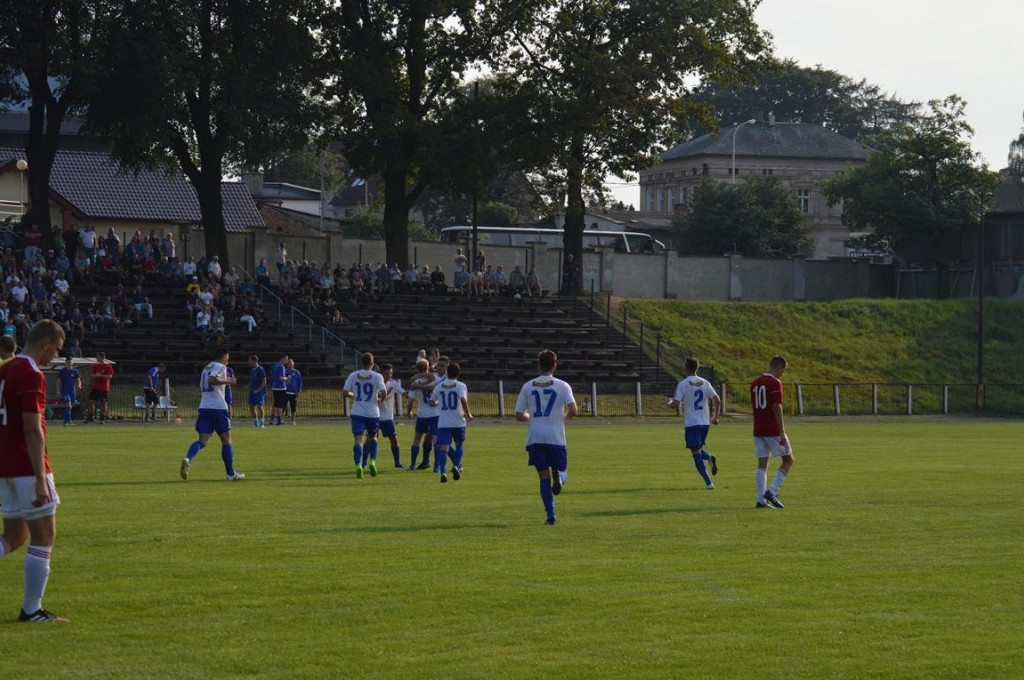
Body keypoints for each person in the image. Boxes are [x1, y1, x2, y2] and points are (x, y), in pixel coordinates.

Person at [0, 320, 68, 622]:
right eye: (55, 349)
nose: (54, 355)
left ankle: (32, 610)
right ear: (44, 343)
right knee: (45, 535)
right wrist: (41, 480)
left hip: (4, 467)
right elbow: (33, 430)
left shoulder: (4, 370)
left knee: (14, 536)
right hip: (27, 466)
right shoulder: (30, 373)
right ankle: (32, 610)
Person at [515, 350, 577, 525]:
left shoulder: (528, 386)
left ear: (539, 365)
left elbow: (519, 415)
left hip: (536, 436)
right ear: (555, 365)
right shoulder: (563, 386)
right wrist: (562, 418)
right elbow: (574, 410)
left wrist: (530, 417)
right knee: (562, 471)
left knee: (543, 477)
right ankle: (560, 477)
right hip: (555, 436)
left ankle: (551, 516)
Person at [179, 347, 244, 481]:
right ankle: (230, 474)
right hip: (218, 408)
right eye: (228, 359)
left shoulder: (206, 368)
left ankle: (188, 459)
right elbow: (212, 380)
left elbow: (204, 384)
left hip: (204, 407)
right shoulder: (220, 367)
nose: (227, 362)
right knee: (226, 440)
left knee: (202, 441)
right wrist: (229, 381)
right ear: (225, 358)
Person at [667, 357, 721, 490]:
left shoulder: (683, 384)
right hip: (705, 423)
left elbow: (675, 404)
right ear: (697, 367)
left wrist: (669, 403)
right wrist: (715, 417)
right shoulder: (705, 382)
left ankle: (708, 482)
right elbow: (717, 399)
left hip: (692, 423)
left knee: (695, 452)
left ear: (686, 367)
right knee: (697, 448)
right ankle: (709, 457)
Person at [751, 355, 793, 509]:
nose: (782, 374)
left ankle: (760, 501)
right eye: (783, 370)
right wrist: (782, 432)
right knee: (788, 460)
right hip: (772, 428)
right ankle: (772, 491)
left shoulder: (755, 383)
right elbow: (777, 407)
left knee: (762, 463)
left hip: (758, 429)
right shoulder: (775, 383)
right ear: (779, 368)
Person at [342, 352, 387, 479]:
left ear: (362, 362)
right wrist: (379, 400)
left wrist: (355, 395)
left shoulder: (353, 375)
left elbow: (345, 392)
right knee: (373, 437)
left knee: (358, 440)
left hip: (358, 412)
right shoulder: (377, 376)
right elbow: (384, 392)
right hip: (372, 412)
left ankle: (359, 465)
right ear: (372, 363)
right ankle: (372, 461)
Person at [429, 361, 473, 483]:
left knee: (444, 448)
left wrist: (438, 403)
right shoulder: (461, 386)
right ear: (458, 374)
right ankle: (456, 465)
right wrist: (468, 413)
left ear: (447, 373)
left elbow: (431, 402)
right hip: (458, 421)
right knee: (459, 444)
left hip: (443, 422)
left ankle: (443, 472)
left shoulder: (439, 386)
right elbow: (463, 399)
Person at [406, 355, 448, 471]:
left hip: (422, 414)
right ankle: (436, 467)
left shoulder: (415, 383)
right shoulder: (436, 379)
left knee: (417, 440)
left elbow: (410, 402)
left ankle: (412, 465)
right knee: (436, 441)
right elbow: (434, 388)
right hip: (435, 414)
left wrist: (409, 412)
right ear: (428, 367)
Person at [378, 363, 406, 468]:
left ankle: (397, 462)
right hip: (376, 416)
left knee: (394, 439)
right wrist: (385, 394)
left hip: (388, 417)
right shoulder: (377, 383)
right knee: (371, 439)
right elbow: (375, 399)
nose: (389, 375)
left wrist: (411, 393)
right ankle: (364, 462)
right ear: (382, 373)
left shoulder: (393, 383)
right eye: (386, 373)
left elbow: (403, 392)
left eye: (390, 373)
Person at [85, 352, 114, 424]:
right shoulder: (95, 366)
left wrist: (100, 375)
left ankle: (102, 418)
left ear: (102, 357)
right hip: (95, 387)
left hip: (104, 388)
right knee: (91, 401)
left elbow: (110, 376)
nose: (96, 358)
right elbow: (91, 375)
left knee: (103, 403)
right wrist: (95, 375)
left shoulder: (108, 366)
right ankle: (90, 417)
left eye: (98, 357)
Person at [57, 357, 81, 427]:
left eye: (70, 362)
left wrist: (79, 385)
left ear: (72, 363)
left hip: (72, 392)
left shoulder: (75, 371)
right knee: (68, 404)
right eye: (67, 362)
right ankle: (69, 421)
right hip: (65, 391)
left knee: (70, 407)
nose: (69, 364)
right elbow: (58, 380)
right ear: (65, 363)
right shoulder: (62, 371)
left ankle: (66, 422)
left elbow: (78, 379)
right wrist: (58, 390)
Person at [269, 353, 290, 425]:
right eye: (286, 359)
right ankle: (279, 420)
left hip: (274, 387)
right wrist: (287, 378)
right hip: (280, 388)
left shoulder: (275, 365)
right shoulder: (281, 367)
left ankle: (271, 419)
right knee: (280, 405)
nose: (287, 361)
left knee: (275, 404)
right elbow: (281, 378)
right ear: (283, 358)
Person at [248, 355, 267, 428]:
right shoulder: (252, 370)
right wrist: (248, 385)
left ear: (253, 360)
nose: (248, 362)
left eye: (249, 360)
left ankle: (262, 423)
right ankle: (255, 422)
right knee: (251, 406)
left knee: (260, 406)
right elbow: (253, 380)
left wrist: (258, 390)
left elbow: (264, 381)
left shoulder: (260, 369)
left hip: (259, 392)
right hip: (252, 391)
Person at [284, 358, 302, 425]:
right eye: (289, 363)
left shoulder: (297, 372)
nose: (290, 365)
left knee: (293, 407)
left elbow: (300, 382)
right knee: (282, 406)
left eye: (291, 363)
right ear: (287, 364)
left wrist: (299, 391)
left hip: (293, 392)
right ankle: (280, 420)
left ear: (293, 364)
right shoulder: (284, 371)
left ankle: (293, 421)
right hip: (285, 392)